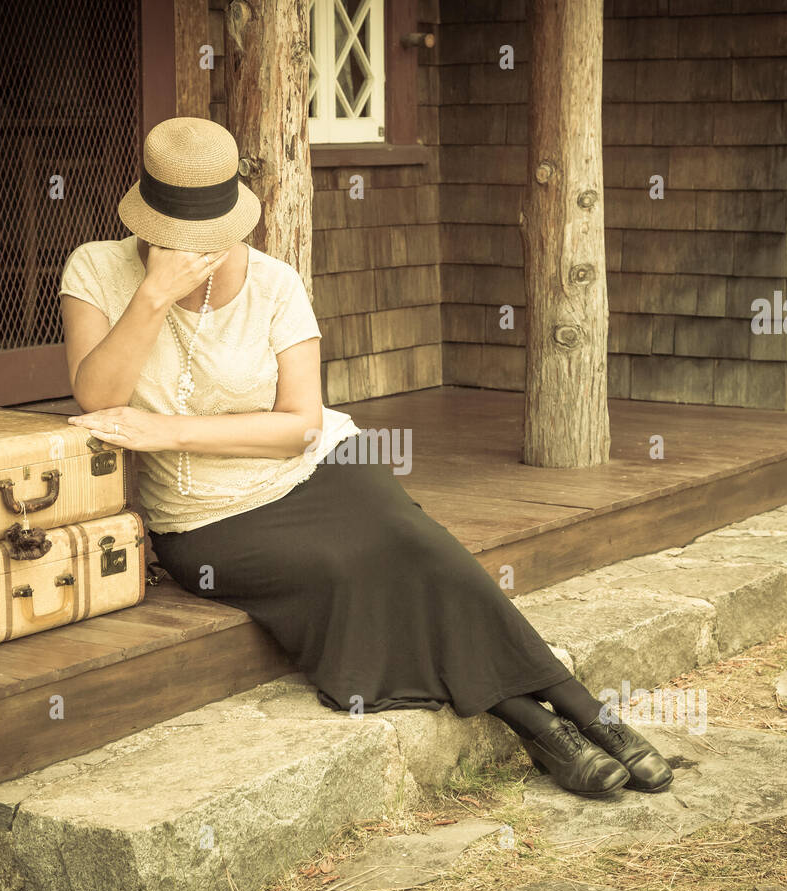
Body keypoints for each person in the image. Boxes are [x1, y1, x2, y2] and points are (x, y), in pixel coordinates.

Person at [58, 117, 671, 798]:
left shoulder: (274, 284)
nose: (198, 250)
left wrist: (164, 432)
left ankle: (584, 712)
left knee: (420, 547)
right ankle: (541, 724)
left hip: (313, 467)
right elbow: (97, 395)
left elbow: (298, 427)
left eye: (212, 234)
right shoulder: (97, 269)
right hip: (204, 516)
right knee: (346, 570)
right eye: (177, 233)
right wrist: (152, 296)